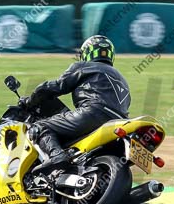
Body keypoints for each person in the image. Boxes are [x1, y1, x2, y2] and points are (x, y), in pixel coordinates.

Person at [23, 35, 131, 171]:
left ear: (87, 52)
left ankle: (57, 156)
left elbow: (57, 86)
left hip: (92, 114)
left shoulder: (83, 66)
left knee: (41, 126)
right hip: (119, 122)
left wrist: (30, 100)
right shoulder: (122, 79)